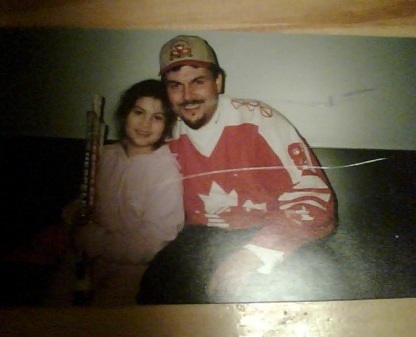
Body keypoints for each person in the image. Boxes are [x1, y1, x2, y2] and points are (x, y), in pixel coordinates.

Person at [137, 35, 337, 304]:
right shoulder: (163, 130)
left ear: (218, 81)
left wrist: (252, 255)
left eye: (198, 82)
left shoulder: (257, 120)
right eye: (175, 86)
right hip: (198, 238)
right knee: (153, 294)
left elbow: (316, 199)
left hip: (266, 230)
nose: (187, 97)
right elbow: (132, 181)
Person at [69, 79, 184, 305]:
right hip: (84, 259)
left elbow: (156, 239)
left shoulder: (165, 169)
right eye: (138, 112)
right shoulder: (106, 155)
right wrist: (74, 223)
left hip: (132, 269)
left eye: (157, 117)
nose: (145, 124)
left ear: (167, 125)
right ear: (125, 115)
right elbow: (82, 205)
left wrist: (99, 244)